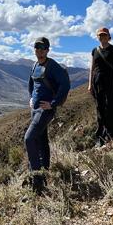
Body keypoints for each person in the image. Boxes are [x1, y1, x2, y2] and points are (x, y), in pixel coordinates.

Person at [24, 36, 70, 195]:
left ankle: (36, 180)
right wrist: (31, 98)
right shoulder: (35, 64)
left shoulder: (53, 66)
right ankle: (44, 173)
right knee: (41, 140)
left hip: (45, 110)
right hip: (35, 109)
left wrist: (54, 103)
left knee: (29, 139)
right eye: (37, 48)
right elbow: (32, 83)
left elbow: (65, 85)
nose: (40, 51)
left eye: (43, 48)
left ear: (48, 50)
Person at [88, 27, 113, 146]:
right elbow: (92, 69)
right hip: (97, 82)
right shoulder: (94, 51)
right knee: (100, 109)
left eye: (104, 35)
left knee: (112, 108)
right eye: (100, 35)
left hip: (111, 82)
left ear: (109, 36)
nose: (102, 37)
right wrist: (90, 85)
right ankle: (101, 138)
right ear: (97, 37)